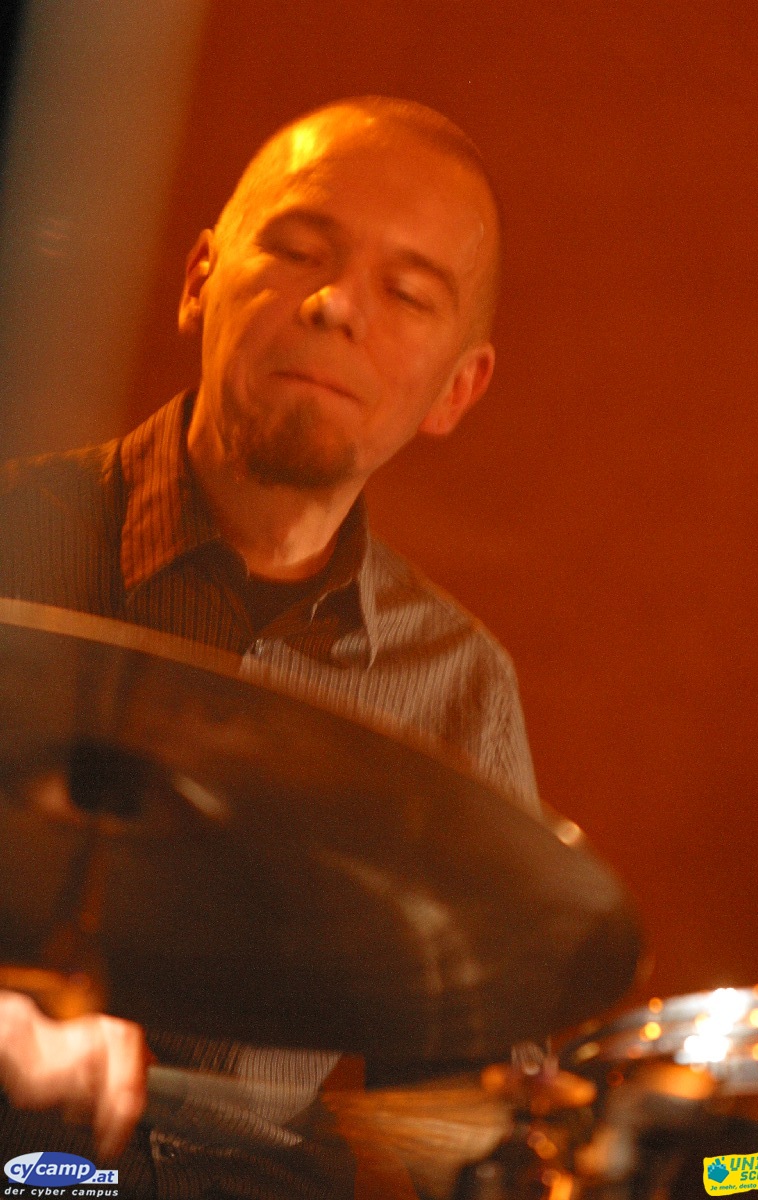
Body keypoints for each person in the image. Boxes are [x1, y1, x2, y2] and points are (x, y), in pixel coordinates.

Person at [0, 96, 540, 1195]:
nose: (335, 305)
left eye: (408, 294)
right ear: (200, 277)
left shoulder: (459, 686)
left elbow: (457, 1106)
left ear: (457, 388)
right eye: (298, 249)